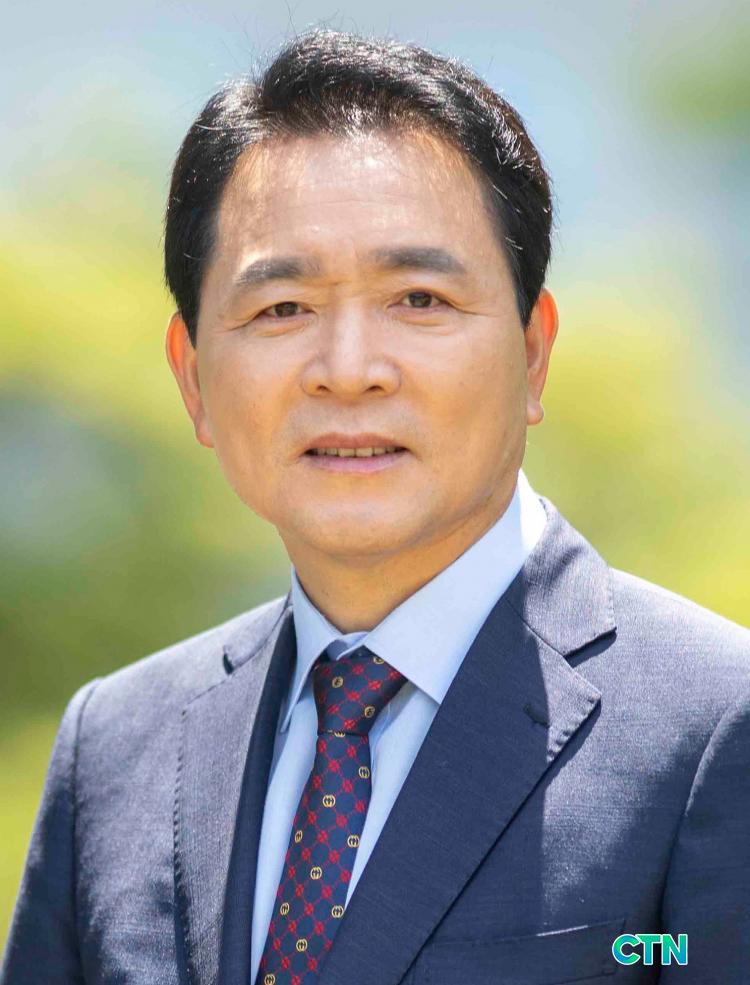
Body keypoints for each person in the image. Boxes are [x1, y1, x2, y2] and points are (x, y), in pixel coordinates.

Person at [2, 28, 748, 985]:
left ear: (533, 352)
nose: (349, 370)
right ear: (192, 378)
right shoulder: (114, 748)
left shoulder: (716, 725)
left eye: (419, 299)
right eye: (282, 309)